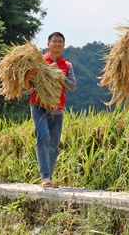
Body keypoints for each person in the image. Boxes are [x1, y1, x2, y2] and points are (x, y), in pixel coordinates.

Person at [24, 32, 77, 189]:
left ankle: (49, 177)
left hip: (57, 107)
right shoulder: (38, 61)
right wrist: (28, 76)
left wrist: (60, 75)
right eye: (54, 41)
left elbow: (73, 86)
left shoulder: (67, 65)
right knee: (43, 137)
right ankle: (45, 176)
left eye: (60, 42)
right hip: (38, 105)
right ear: (48, 44)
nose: (57, 44)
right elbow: (27, 86)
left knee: (53, 144)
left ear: (63, 45)